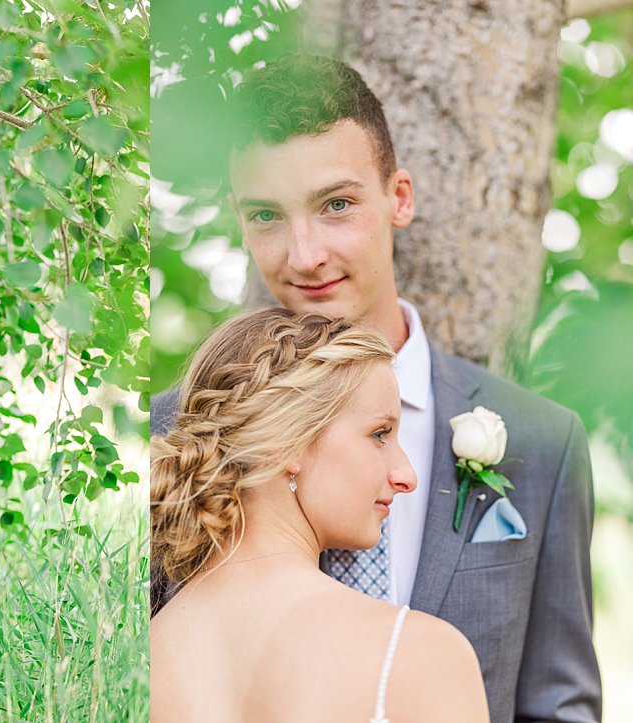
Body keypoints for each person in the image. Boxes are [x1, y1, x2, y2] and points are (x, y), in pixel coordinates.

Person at [149, 54, 601, 721]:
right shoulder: (171, 433)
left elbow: (559, 707)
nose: (304, 255)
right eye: (267, 215)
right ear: (239, 220)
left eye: (336, 205)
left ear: (400, 198)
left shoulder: (543, 441)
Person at [149, 308, 485, 721]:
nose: (407, 476)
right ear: (287, 442)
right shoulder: (419, 654)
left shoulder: (141, 654)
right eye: (379, 434)